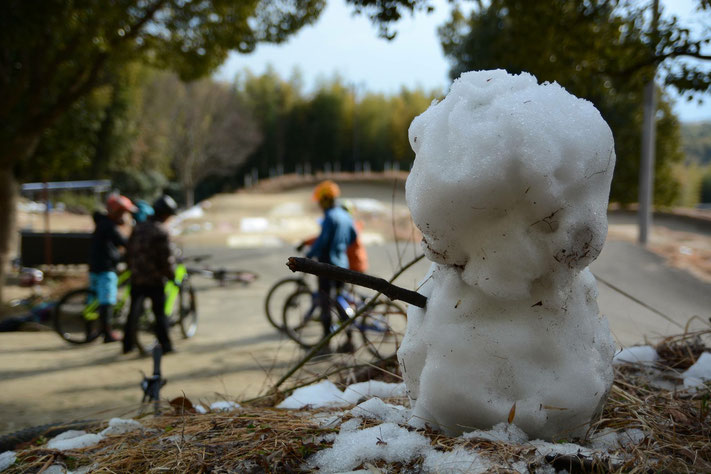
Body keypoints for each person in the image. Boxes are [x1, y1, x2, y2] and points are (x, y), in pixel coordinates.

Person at [306, 180, 357, 352]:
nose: (319, 205)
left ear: (326, 200)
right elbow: (353, 236)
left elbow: (323, 240)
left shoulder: (329, 217)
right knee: (340, 300)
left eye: (320, 201)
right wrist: (340, 248)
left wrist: (309, 255)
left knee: (325, 302)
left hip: (327, 266)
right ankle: (349, 339)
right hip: (343, 264)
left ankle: (326, 343)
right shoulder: (345, 215)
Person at [123, 195, 178, 354]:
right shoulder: (161, 231)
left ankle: (127, 345)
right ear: (165, 214)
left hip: (136, 277)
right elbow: (166, 258)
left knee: (133, 312)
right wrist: (172, 276)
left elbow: (129, 250)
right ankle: (166, 346)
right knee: (160, 314)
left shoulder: (139, 227)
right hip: (154, 279)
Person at [89, 194, 136, 343]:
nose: (125, 217)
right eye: (123, 213)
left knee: (93, 299)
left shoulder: (102, 223)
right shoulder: (109, 226)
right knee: (107, 301)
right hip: (105, 268)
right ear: (116, 212)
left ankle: (91, 330)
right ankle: (107, 333)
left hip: (95, 266)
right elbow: (124, 242)